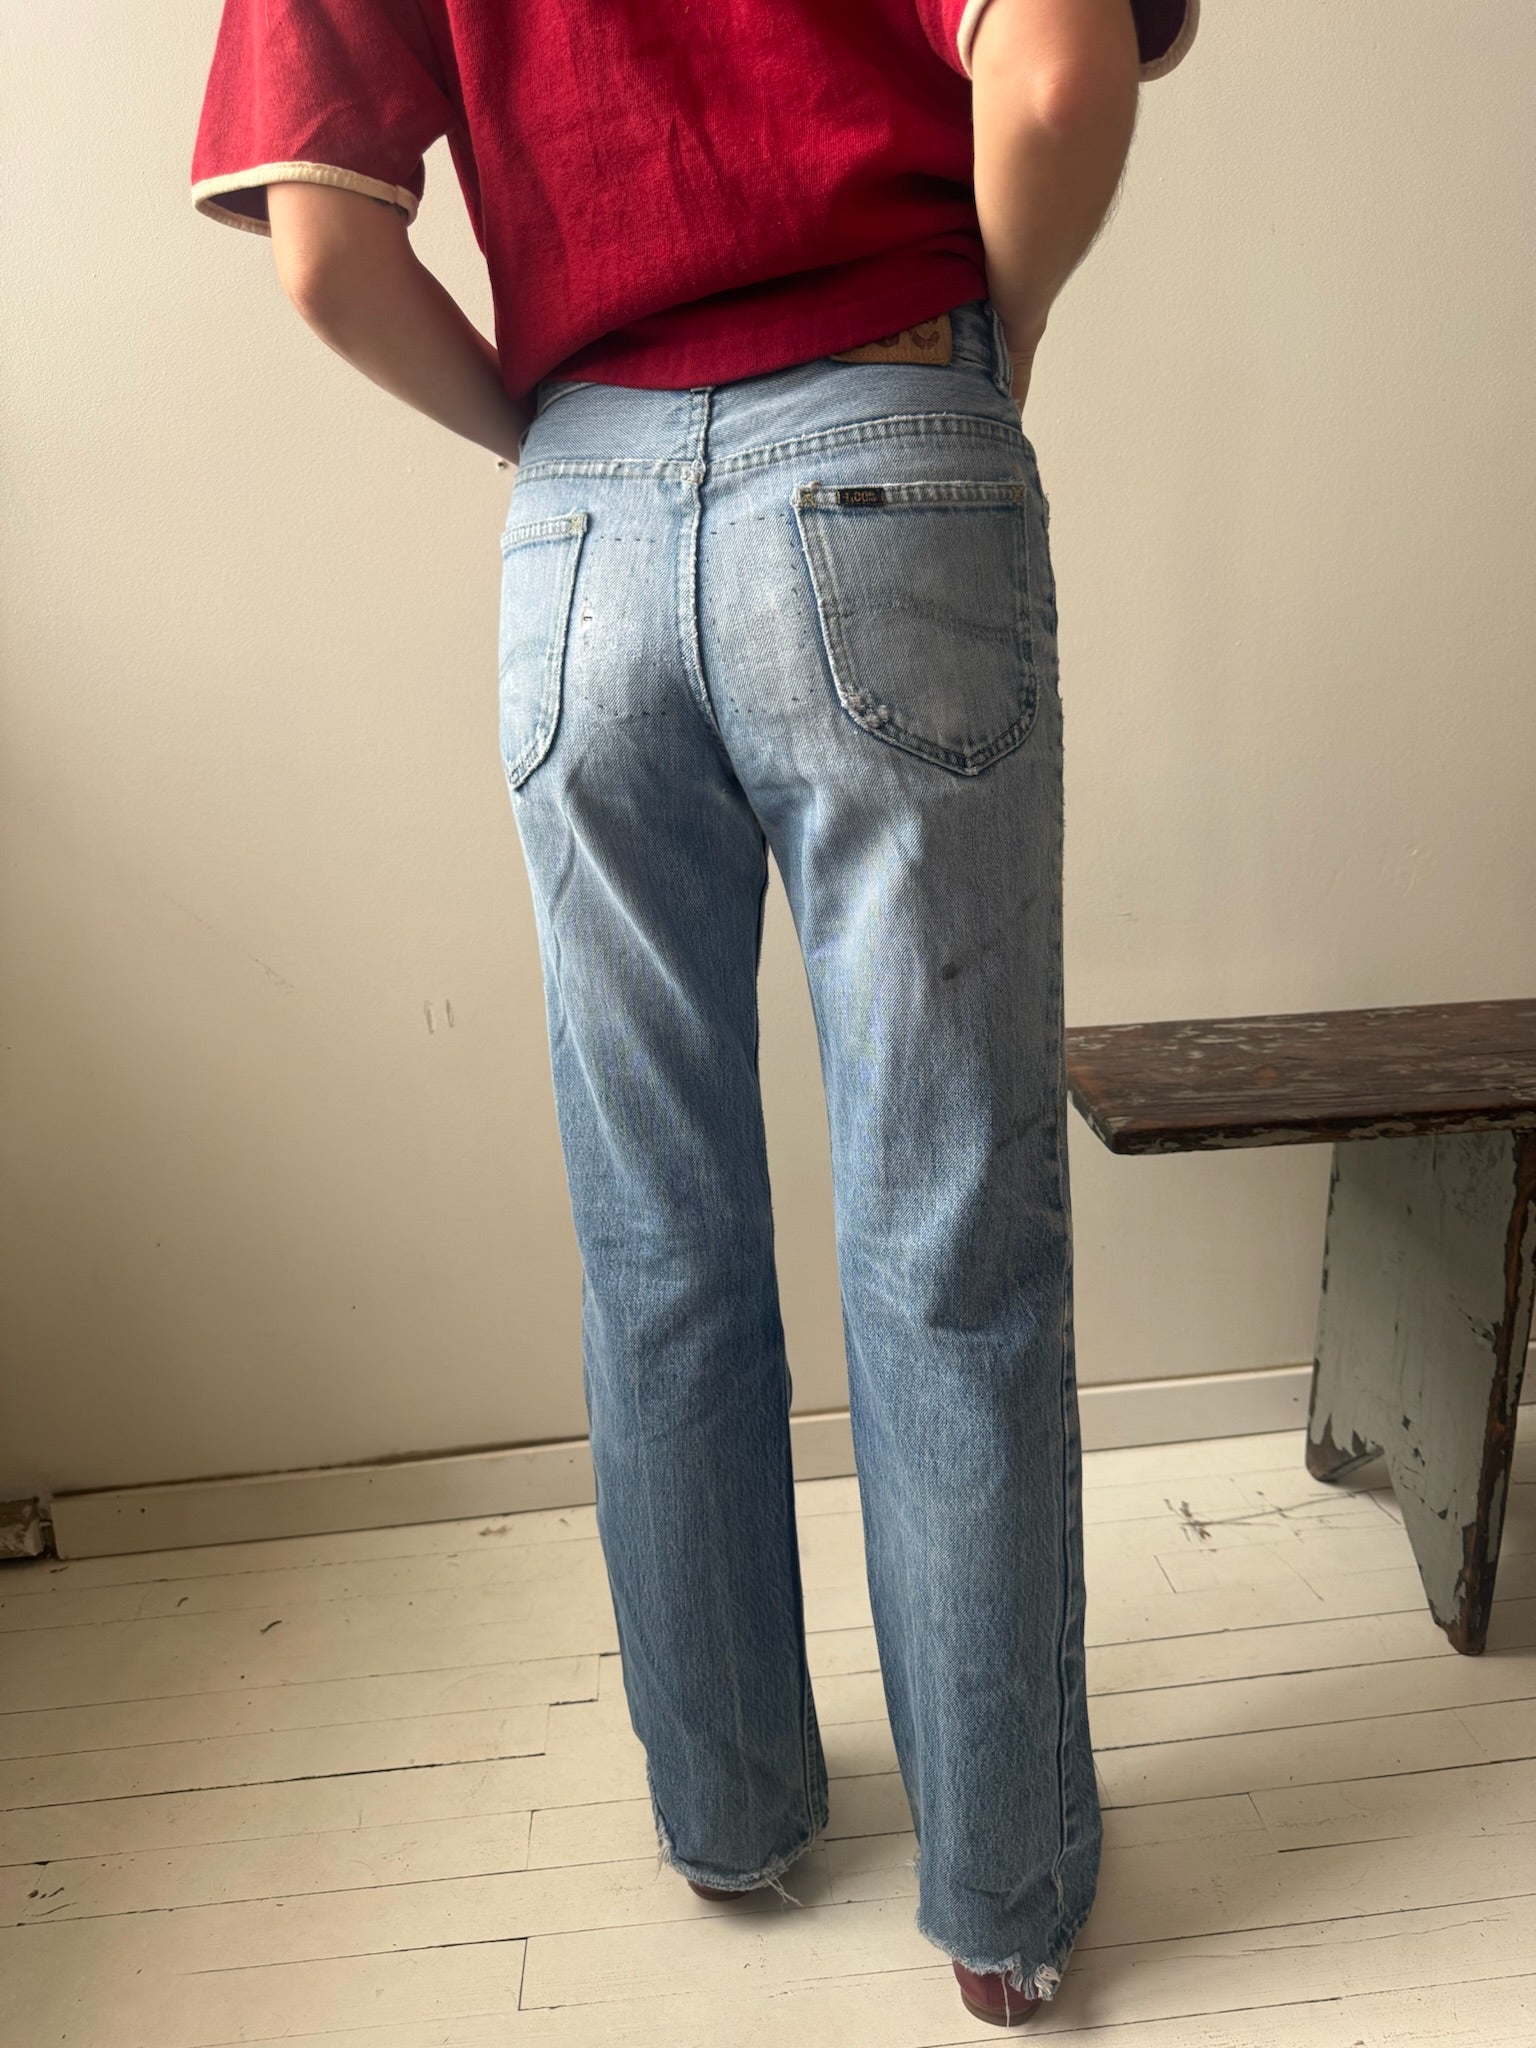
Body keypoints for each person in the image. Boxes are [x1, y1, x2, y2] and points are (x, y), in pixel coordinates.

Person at [190, 0, 1198, 2026]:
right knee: (947, 1238)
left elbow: (322, 246)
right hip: (886, 436)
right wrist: (982, 350)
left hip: (580, 530)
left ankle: (730, 1814)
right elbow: (1054, 66)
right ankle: (998, 1894)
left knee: (654, 1234)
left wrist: (561, 446)